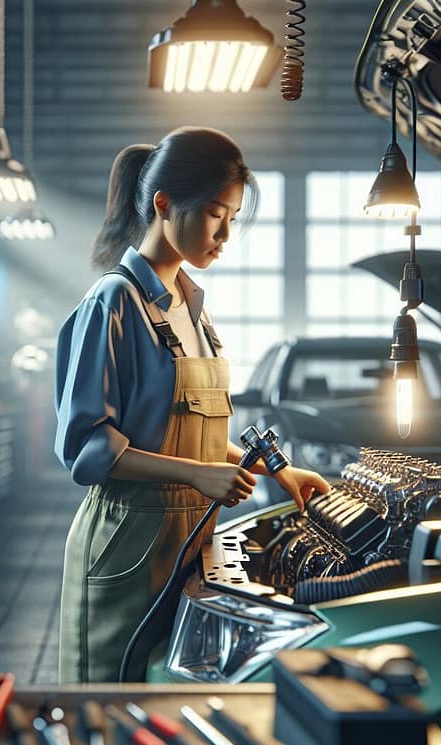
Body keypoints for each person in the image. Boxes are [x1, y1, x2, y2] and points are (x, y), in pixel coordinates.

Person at [54, 126, 330, 683]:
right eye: (213, 213)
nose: (225, 234)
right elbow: (88, 451)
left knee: (165, 699)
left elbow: (190, 429)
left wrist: (277, 472)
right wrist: (199, 474)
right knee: (109, 698)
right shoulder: (113, 302)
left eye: (231, 217)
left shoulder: (192, 307)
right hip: (126, 540)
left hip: (189, 539)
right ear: (163, 204)